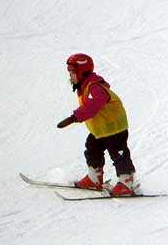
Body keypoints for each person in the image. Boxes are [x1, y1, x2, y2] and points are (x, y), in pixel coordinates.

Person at [56, 53, 137, 197]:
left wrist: (74, 117)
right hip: (101, 130)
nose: (70, 76)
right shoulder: (85, 87)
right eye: (69, 72)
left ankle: (127, 181)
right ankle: (95, 178)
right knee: (92, 148)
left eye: (73, 72)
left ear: (82, 71)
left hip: (114, 128)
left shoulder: (94, 87)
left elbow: (95, 103)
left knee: (118, 153)